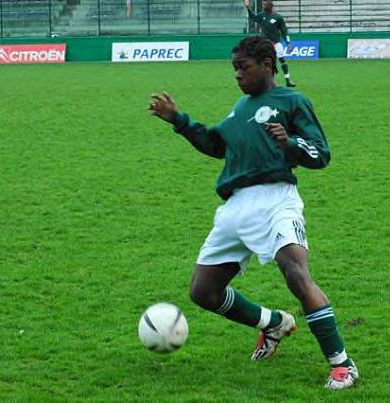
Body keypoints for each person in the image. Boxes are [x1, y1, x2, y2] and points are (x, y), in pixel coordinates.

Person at [148, 36, 358, 391]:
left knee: (295, 272)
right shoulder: (240, 108)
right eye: (234, 69)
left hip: (277, 199)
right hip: (235, 207)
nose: (238, 75)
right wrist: (179, 121)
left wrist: (289, 144)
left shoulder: (292, 101)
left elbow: (321, 153)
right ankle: (273, 323)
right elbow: (217, 144)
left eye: (243, 68)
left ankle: (341, 364)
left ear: (267, 65)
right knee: (203, 292)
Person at [244, 0, 296, 87]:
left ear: (270, 6)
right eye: (263, 4)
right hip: (265, 44)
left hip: (276, 43)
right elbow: (253, 17)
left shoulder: (278, 17)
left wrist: (288, 43)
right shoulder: (262, 15)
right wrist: (247, 8)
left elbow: (284, 31)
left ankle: (288, 80)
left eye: (265, 4)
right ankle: (267, 81)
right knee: (265, 62)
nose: (263, 5)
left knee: (282, 60)